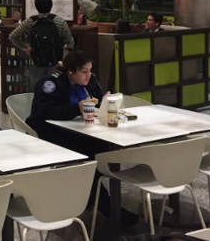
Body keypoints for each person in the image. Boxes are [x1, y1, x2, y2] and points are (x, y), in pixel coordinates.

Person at [26, 50, 138, 225]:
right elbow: (45, 112)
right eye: (84, 71)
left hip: (83, 128)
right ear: (70, 71)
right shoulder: (51, 83)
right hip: (50, 131)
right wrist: (76, 109)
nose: (88, 75)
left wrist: (105, 103)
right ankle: (102, 202)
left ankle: (90, 194)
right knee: (92, 151)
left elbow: (96, 102)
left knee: (100, 147)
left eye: (89, 70)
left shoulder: (90, 81)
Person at [9, 0, 74, 90]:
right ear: (51, 6)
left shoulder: (30, 21)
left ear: (36, 6)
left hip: (36, 60)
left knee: (37, 89)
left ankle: (37, 104)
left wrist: (25, 47)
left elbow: (13, 36)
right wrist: (62, 47)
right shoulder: (59, 21)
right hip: (55, 62)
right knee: (55, 89)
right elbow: (70, 42)